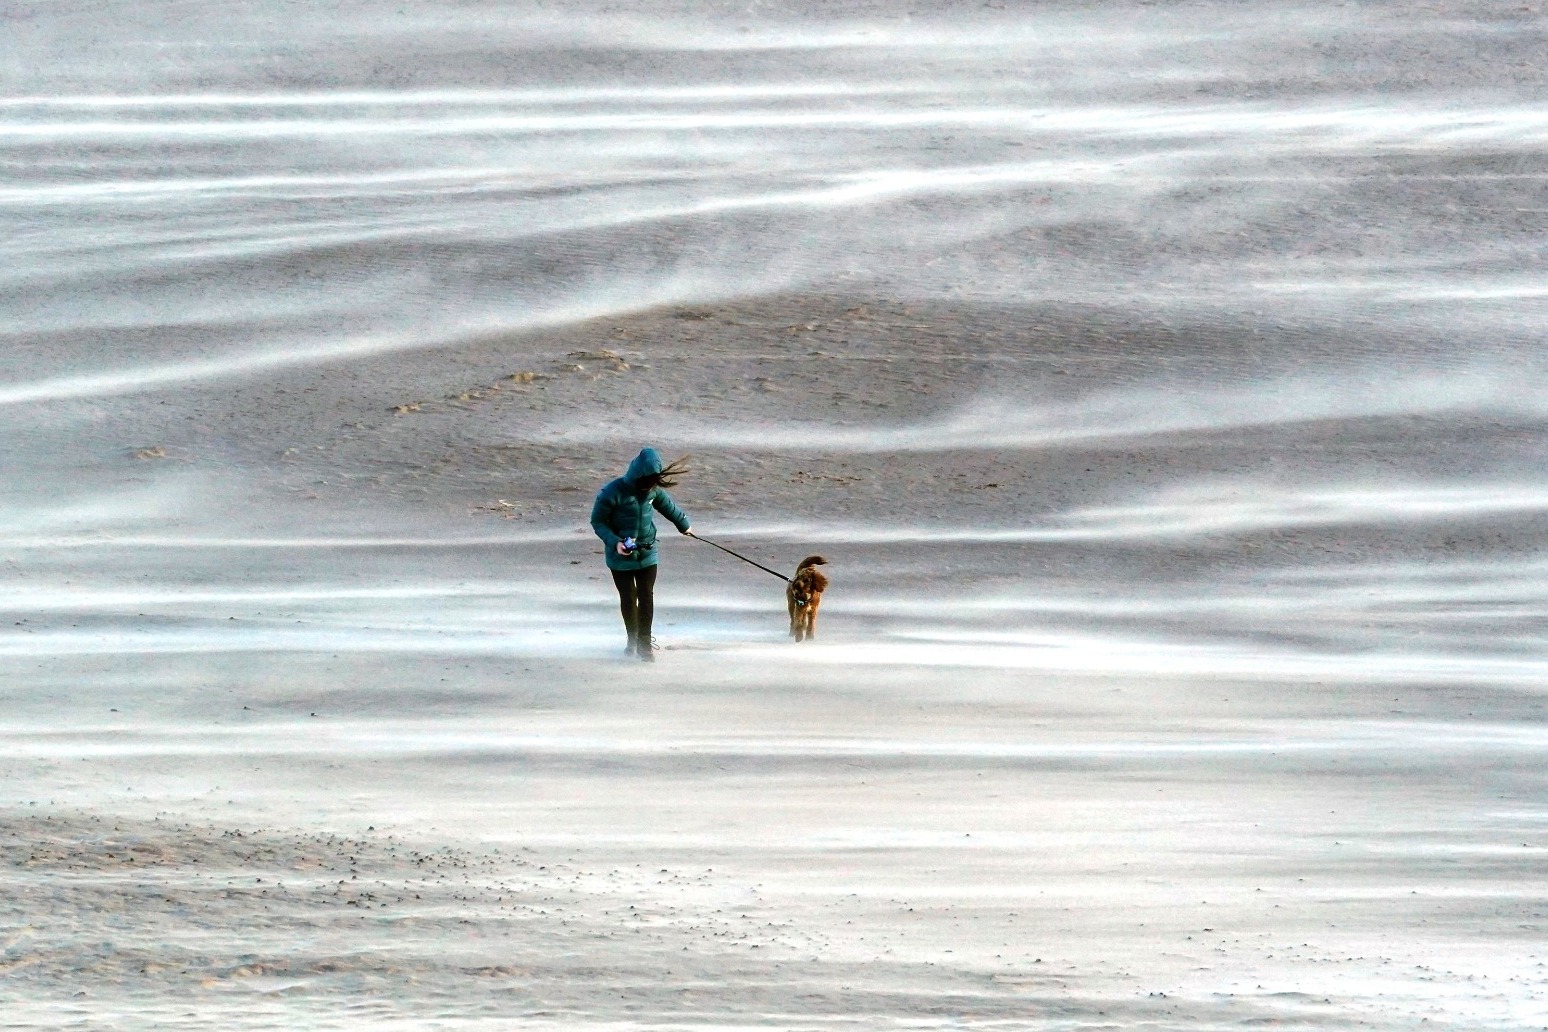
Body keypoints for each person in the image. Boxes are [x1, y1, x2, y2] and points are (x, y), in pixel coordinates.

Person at [589, 448, 692, 661]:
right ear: (637, 475)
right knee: (629, 597)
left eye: (653, 482)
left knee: (646, 595)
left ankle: (645, 644)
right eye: (646, 482)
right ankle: (632, 641)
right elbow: (597, 522)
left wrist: (684, 526)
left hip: (647, 552)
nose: (648, 487)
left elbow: (670, 508)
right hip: (620, 556)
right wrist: (615, 543)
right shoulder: (612, 492)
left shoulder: (653, 490)